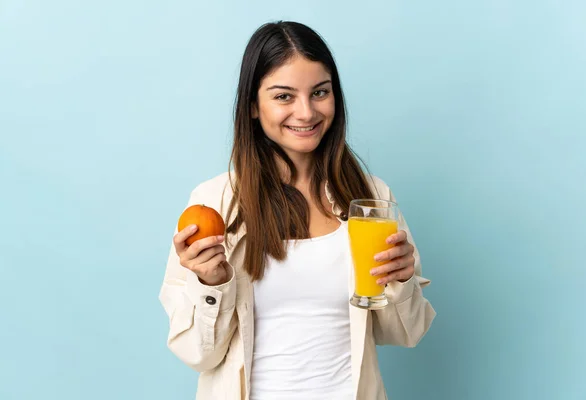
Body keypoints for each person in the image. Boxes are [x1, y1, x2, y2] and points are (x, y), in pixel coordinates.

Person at [159, 21, 435, 400]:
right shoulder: (214, 202)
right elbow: (198, 355)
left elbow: (405, 333)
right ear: (253, 106)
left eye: (319, 92)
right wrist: (211, 284)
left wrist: (401, 283)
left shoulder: (371, 198)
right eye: (284, 96)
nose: (306, 113)